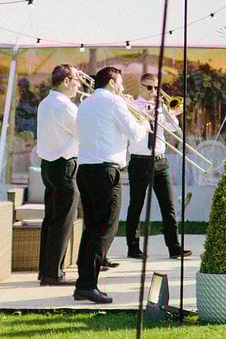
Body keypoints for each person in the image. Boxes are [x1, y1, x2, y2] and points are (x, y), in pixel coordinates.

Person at [74, 67, 148, 304]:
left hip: (85, 168)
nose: (124, 88)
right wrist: (143, 119)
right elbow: (136, 134)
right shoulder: (115, 103)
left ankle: (83, 283)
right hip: (106, 170)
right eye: (121, 83)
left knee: (92, 228)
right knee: (106, 228)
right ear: (113, 81)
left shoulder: (84, 103)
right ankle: (87, 285)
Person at [124, 73, 191, 261]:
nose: (153, 91)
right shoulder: (131, 106)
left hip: (160, 161)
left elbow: (174, 129)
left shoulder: (161, 108)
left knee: (168, 206)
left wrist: (169, 112)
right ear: (140, 86)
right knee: (136, 205)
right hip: (139, 160)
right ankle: (133, 247)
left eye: (155, 88)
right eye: (149, 87)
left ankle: (174, 247)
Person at [35, 64, 81, 286]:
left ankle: (46, 270)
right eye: (76, 80)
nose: (78, 85)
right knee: (63, 222)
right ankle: (53, 273)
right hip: (64, 167)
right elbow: (85, 131)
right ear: (66, 81)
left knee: (51, 221)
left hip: (48, 167)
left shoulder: (45, 103)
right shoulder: (65, 107)